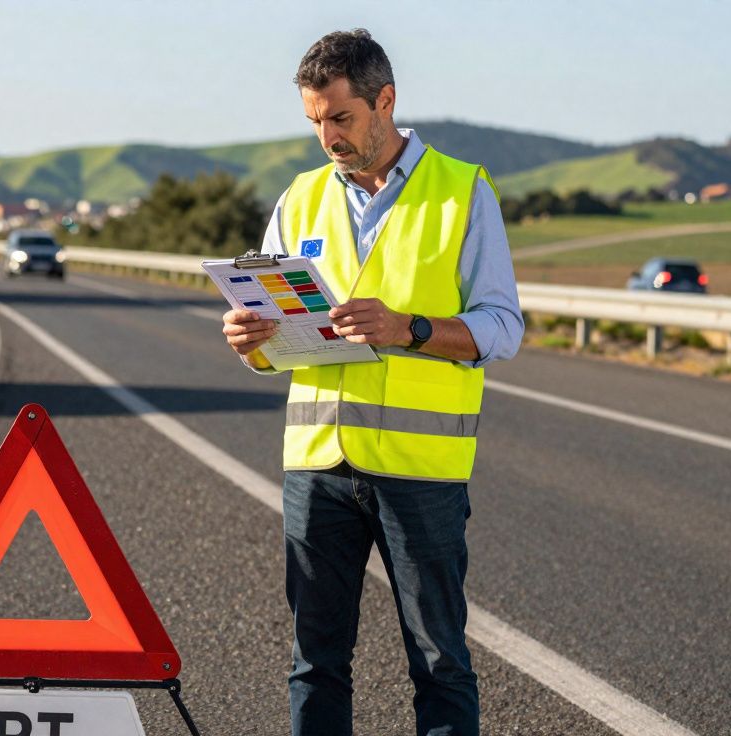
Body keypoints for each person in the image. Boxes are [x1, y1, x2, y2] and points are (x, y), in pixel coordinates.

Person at [220, 29, 524, 736]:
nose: (327, 136)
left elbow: (502, 327)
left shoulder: (461, 191)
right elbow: (271, 330)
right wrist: (250, 343)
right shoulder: (299, 200)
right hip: (318, 466)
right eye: (314, 122)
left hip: (419, 471)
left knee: (439, 661)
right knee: (314, 662)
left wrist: (409, 329)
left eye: (340, 118)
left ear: (385, 101)